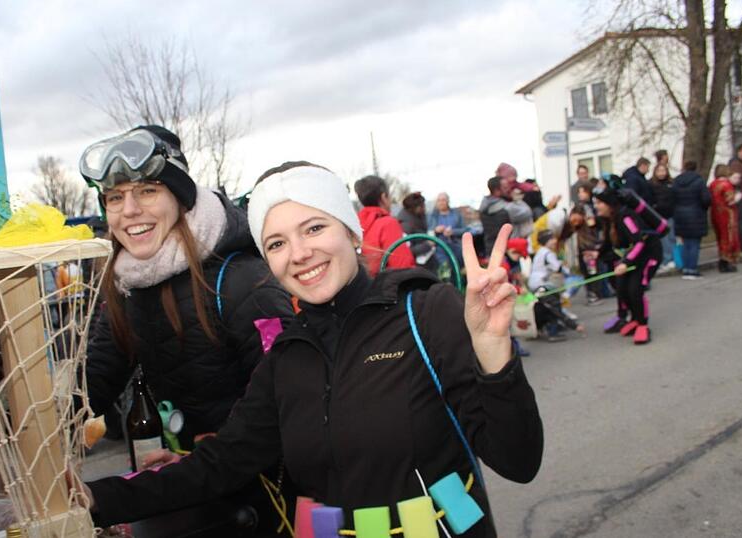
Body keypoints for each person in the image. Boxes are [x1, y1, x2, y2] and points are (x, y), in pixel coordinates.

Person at [82, 161, 544, 537]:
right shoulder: (287, 356)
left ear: (351, 231)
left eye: (315, 227)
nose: (299, 252)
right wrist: (94, 500)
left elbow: (518, 460)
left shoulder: (426, 313)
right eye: (277, 242)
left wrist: (492, 353)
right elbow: (222, 463)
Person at [79, 125, 295, 533]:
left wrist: (113, 496)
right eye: (115, 198)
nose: (129, 211)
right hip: (197, 490)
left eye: (147, 191)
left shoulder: (242, 283)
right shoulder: (129, 285)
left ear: (180, 198)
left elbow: (282, 418)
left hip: (269, 504)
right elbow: (92, 385)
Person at [594, 188, 663, 344]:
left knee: (635, 289)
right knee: (622, 287)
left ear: (610, 204)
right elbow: (608, 243)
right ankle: (633, 319)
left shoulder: (625, 217)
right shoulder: (608, 219)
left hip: (649, 254)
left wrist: (626, 263)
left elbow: (639, 242)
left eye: (599, 203)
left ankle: (643, 325)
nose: (596, 206)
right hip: (633, 256)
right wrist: (597, 254)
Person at [527, 230, 583, 341]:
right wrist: (570, 273)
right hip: (541, 285)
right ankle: (553, 332)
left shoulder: (540, 252)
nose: (554, 241)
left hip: (535, 284)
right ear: (545, 241)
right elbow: (557, 267)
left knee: (542, 307)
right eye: (551, 239)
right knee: (553, 305)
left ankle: (539, 329)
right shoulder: (548, 253)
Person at [353, 175, 415, 274]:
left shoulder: (355, 224)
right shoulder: (387, 223)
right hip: (385, 286)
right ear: (384, 197)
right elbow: (402, 266)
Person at [671, 161, 712, 280]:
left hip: (680, 215)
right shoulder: (699, 181)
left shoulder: (676, 182)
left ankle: (686, 269)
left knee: (685, 243)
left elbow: (672, 198)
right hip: (696, 214)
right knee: (694, 244)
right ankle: (692, 269)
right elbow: (706, 199)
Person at [396, 192, 439, 271]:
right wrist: (428, 244)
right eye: (422, 206)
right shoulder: (405, 225)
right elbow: (407, 250)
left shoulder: (419, 217)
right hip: (417, 266)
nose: (424, 208)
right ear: (415, 208)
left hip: (427, 261)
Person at [709, 165, 741, 272]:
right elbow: (730, 201)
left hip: (715, 213)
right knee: (728, 237)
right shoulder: (727, 185)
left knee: (720, 237)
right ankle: (727, 261)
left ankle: (722, 259)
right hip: (727, 214)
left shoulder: (712, 184)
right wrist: (738, 196)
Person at [649, 163, 677, 271]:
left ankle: (673, 259)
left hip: (670, 214)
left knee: (672, 238)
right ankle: (667, 259)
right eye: (659, 171)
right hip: (659, 216)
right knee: (664, 239)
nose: (661, 173)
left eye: (663, 170)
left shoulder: (671, 183)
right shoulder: (652, 184)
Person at [427, 192, 466, 269]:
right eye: (439, 200)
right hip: (440, 249)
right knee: (445, 270)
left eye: (443, 200)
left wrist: (453, 232)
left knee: (458, 270)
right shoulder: (432, 216)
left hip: (456, 247)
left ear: (448, 201)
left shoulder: (457, 214)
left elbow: (465, 230)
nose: (441, 202)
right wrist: (435, 230)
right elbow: (428, 232)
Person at [479, 176, 511, 257]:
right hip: (506, 250)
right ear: (496, 191)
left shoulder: (484, 206)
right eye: (505, 187)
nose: (509, 189)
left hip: (491, 248)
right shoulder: (504, 208)